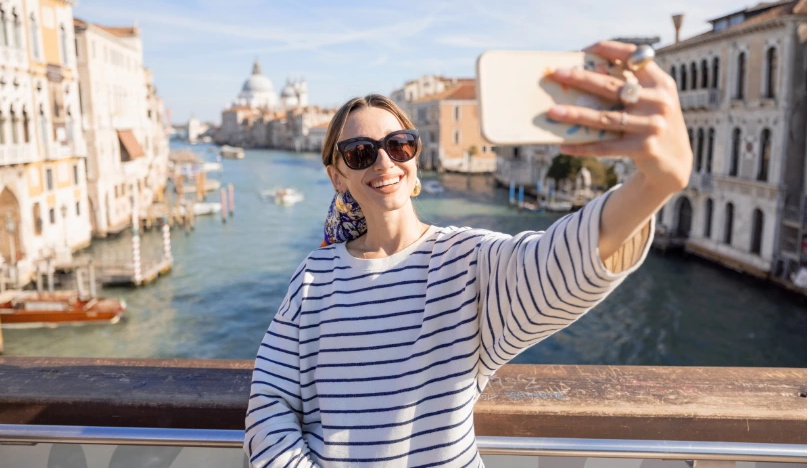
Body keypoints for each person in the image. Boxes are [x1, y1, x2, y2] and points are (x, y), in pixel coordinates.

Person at [244, 41, 692, 467]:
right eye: (360, 153)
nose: (384, 163)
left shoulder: (467, 262)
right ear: (337, 176)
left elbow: (557, 265)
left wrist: (654, 185)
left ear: (415, 156)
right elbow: (269, 401)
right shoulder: (314, 277)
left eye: (398, 145)